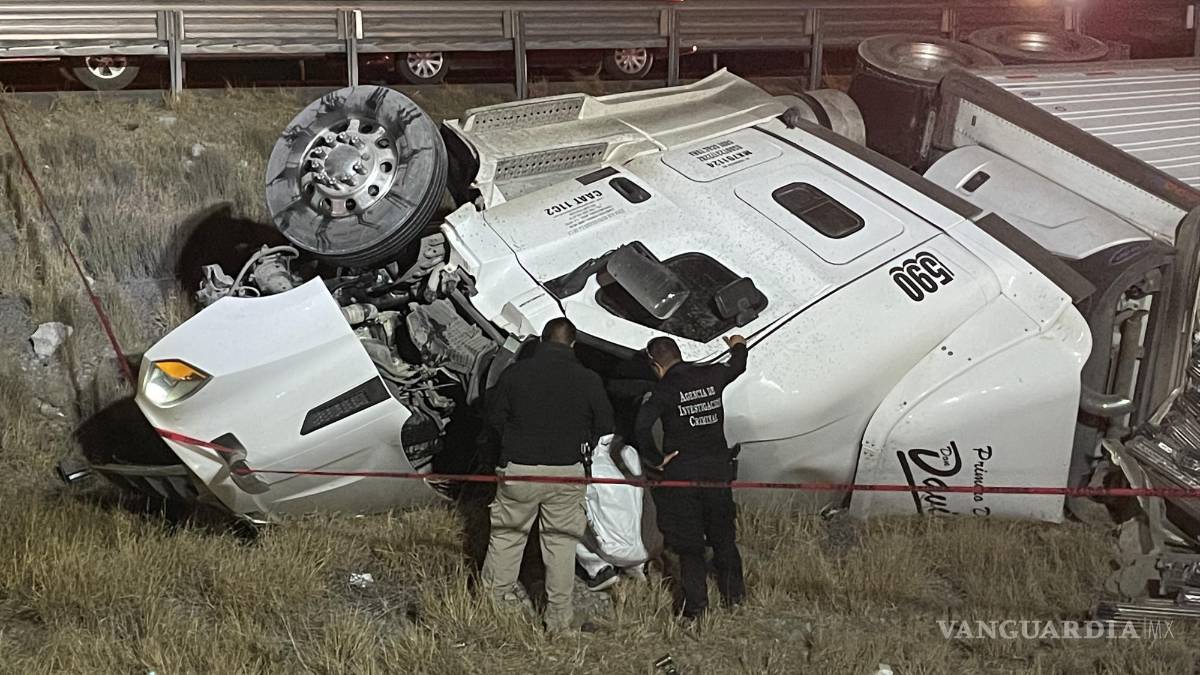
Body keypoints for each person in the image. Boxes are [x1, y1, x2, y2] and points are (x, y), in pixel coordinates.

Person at [481, 317, 614, 633]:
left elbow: (493, 418)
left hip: (520, 468)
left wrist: (511, 445)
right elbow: (606, 424)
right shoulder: (588, 379)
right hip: (567, 472)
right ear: (572, 344)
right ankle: (558, 621)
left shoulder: (515, 374)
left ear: (541, 341)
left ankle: (494, 607)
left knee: (507, 536)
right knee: (561, 546)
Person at [634, 333, 748, 619]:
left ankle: (696, 608)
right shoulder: (711, 374)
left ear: (655, 365)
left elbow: (641, 427)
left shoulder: (664, 389)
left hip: (682, 475)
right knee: (724, 537)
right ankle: (735, 597)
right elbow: (738, 366)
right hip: (717, 472)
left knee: (690, 546)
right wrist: (738, 344)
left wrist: (656, 459)